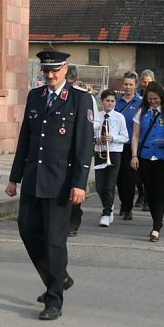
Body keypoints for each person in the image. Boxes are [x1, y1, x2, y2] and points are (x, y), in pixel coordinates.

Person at [5, 50, 94, 321]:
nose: (50, 76)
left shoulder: (80, 99)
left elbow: (84, 145)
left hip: (60, 183)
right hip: (33, 178)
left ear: (66, 69)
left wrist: (80, 183)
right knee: (27, 229)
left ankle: (54, 299)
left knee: (55, 242)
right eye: (46, 71)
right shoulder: (36, 96)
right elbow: (25, 140)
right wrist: (14, 177)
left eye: (55, 70)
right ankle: (58, 277)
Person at [130, 81, 164, 242]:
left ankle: (156, 227)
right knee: (149, 192)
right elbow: (136, 136)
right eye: (150, 99)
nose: (153, 101)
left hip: (163, 158)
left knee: (159, 192)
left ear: (162, 98)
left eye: (156, 99)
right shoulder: (141, 112)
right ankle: (156, 220)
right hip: (145, 156)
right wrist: (134, 155)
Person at [66, 65, 99, 237]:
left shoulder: (84, 98)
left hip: (78, 149)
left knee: (75, 187)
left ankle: (74, 219)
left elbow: (95, 121)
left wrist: (84, 129)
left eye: (70, 81)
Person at [92, 89, 129, 227]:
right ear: (102, 102)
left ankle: (106, 213)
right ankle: (109, 205)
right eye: (107, 101)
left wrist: (113, 138)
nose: (110, 103)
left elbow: (125, 137)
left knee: (109, 184)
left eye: (112, 101)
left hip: (114, 153)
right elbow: (90, 134)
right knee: (100, 186)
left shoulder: (119, 117)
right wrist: (96, 139)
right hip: (100, 152)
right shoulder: (97, 117)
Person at [116, 71, 144, 220]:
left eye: (131, 85)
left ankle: (128, 208)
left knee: (129, 177)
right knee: (119, 178)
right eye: (125, 84)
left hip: (132, 145)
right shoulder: (116, 102)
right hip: (116, 144)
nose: (128, 87)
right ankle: (123, 202)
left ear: (136, 86)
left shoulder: (140, 103)